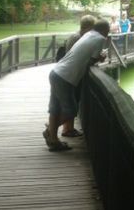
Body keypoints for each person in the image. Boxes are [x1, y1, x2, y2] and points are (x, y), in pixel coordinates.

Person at [43, 19, 110, 151]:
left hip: (56, 72)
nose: (108, 34)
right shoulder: (100, 39)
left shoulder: (88, 34)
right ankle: (50, 132)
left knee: (55, 108)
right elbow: (91, 60)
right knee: (71, 110)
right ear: (105, 30)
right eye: (108, 31)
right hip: (66, 77)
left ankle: (54, 141)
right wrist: (101, 57)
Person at [60, 14, 96, 137]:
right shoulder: (78, 37)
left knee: (72, 103)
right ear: (89, 26)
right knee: (71, 104)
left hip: (71, 74)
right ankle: (59, 128)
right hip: (70, 74)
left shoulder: (78, 36)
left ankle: (68, 128)